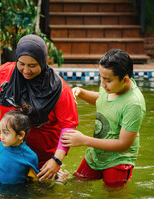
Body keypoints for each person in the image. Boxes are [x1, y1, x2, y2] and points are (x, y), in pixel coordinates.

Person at [0, 34, 78, 181]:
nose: (26, 70)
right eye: (21, 64)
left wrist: (56, 160)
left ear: (42, 61)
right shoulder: (8, 73)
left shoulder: (58, 89)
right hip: (7, 155)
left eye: (32, 65)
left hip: (44, 162)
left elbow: (68, 128)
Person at [61, 49, 146, 187]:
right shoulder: (111, 87)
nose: (102, 83)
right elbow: (103, 100)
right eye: (101, 77)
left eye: (107, 80)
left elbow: (123, 145)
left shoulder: (134, 104)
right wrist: (81, 92)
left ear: (125, 80)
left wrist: (84, 140)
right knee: (75, 187)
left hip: (118, 161)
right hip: (96, 154)